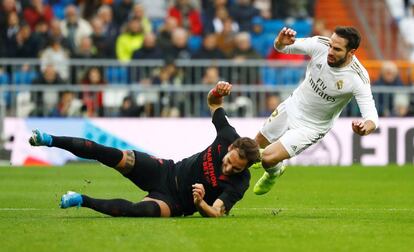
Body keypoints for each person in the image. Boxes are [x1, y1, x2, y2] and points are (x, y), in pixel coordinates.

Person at [29, 81, 260, 217]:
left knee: (138, 211)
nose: (228, 168)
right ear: (231, 147)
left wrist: (201, 204)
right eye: (229, 161)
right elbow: (214, 102)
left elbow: (218, 212)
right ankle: (49, 139)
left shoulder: (240, 183)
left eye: (235, 169)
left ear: (246, 168)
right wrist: (218, 91)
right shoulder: (227, 135)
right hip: (167, 171)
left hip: (176, 203)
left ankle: (80, 199)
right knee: (114, 155)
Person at [252, 26, 379, 195]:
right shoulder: (320, 44)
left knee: (267, 158)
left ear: (351, 52)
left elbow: (372, 117)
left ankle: (273, 173)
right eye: (331, 45)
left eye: (337, 49)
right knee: (255, 146)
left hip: (311, 127)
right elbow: (283, 47)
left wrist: (365, 128)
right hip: (292, 106)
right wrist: (279, 42)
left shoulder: (357, 78)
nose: (330, 51)